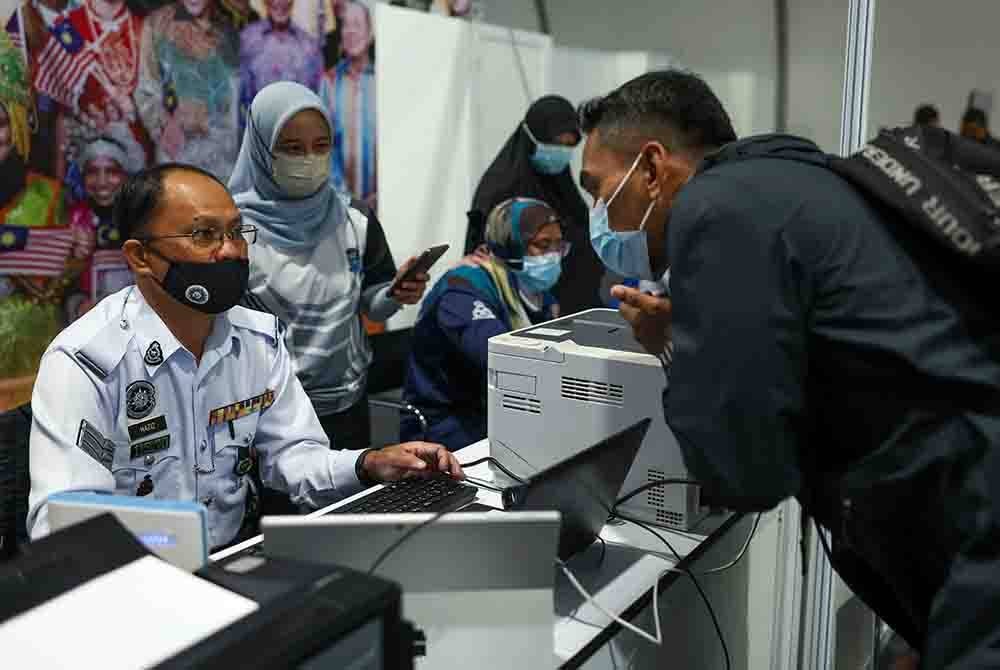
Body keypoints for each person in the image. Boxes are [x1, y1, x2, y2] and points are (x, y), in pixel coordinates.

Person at [578, 69, 1000, 667]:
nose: (598, 214)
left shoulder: (716, 210)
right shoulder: (795, 180)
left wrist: (683, 350)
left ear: (650, 168)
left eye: (598, 190)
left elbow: (744, 471)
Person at [26, 162, 463, 550]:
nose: (231, 251)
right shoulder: (86, 361)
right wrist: (171, 552)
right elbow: (60, 523)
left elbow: (293, 457)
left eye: (236, 232)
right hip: (131, 576)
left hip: (237, 556)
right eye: (204, 235)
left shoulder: (257, 339)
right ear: (140, 257)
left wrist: (369, 464)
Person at [229, 81, 427, 452]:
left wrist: (396, 294)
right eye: (293, 149)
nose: (309, 159)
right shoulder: (230, 229)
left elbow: (373, 305)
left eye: (321, 146)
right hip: (266, 414)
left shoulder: (354, 218)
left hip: (345, 408)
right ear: (261, 148)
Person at [402, 197, 564, 451]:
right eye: (543, 245)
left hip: (498, 413)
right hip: (446, 426)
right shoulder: (463, 288)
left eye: (559, 245)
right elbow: (500, 357)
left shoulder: (533, 291)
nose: (553, 255)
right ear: (511, 245)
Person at [470, 95, 603, 316]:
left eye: (569, 145)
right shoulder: (502, 187)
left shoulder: (560, 183)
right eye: (554, 143)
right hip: (520, 307)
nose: (561, 152)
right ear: (532, 137)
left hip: (571, 303)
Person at [135, 0, 241, 182]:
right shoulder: (157, 25)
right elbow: (145, 90)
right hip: (177, 156)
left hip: (222, 162)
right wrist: (163, 127)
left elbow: (234, 99)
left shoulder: (227, 28)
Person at [65, 124, 144, 319]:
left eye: (111, 171)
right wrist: (78, 305)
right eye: (92, 172)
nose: (102, 182)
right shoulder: (72, 218)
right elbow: (60, 286)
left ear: (126, 175)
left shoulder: (144, 218)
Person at [238, 0, 323, 135]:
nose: (280, 2)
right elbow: (239, 103)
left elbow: (317, 105)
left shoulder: (309, 47)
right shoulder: (247, 40)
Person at [319, 0, 375, 205]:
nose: (350, 31)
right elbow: (323, 146)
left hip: (386, 202)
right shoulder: (329, 82)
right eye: (346, 25)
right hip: (340, 205)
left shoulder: (384, 81)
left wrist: (383, 192)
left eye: (357, 24)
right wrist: (346, 198)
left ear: (370, 33)